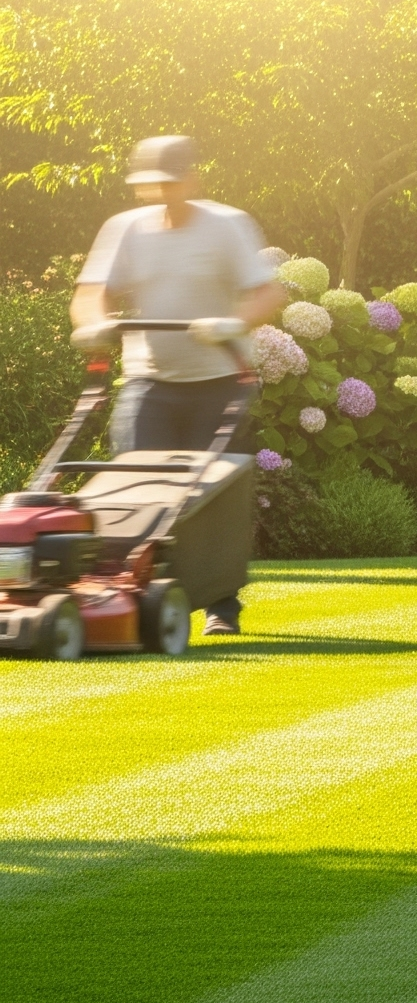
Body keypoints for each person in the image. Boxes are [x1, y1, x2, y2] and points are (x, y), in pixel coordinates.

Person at [68, 134, 283, 635]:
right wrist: (94, 324)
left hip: (222, 380)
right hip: (150, 381)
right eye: (148, 185)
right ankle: (125, 600)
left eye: (168, 182)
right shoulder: (125, 229)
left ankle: (221, 608)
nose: (158, 193)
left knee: (213, 496)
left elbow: (267, 293)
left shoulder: (227, 226)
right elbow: (90, 292)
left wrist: (232, 323)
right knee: (134, 491)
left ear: (192, 179)